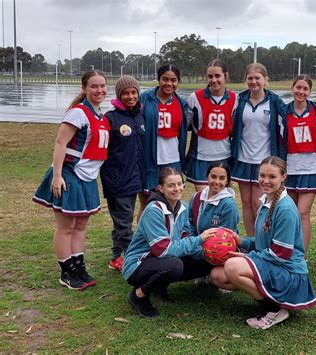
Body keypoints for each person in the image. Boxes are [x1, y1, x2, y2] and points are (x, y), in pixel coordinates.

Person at [211, 156, 316, 330]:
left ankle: (274, 309)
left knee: (232, 266)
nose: (265, 181)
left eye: (272, 177)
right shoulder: (267, 200)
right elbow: (264, 242)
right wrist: (242, 241)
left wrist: (247, 256)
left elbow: (281, 254)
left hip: (289, 272)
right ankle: (271, 299)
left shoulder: (285, 209)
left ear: (283, 177)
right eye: (262, 175)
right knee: (218, 276)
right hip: (273, 263)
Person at [32, 70, 109, 290]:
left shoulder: (100, 115)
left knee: (81, 224)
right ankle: (66, 271)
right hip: (69, 174)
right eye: (94, 86)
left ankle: (78, 265)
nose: (99, 90)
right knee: (66, 226)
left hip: (87, 178)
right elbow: (60, 144)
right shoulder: (78, 113)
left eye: (102, 86)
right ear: (84, 88)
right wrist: (57, 176)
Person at [122, 167, 214, 317]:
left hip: (163, 259)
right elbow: (163, 250)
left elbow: (185, 239)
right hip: (138, 265)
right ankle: (138, 296)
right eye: (171, 185)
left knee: (206, 261)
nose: (177, 189)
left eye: (179, 184)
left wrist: (207, 252)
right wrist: (199, 239)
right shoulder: (153, 210)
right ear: (161, 188)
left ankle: (159, 286)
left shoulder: (183, 207)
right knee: (174, 265)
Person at [231, 63, 285, 236]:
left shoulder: (274, 101)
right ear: (245, 79)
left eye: (257, 78)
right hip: (243, 159)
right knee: (246, 203)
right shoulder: (240, 100)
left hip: (264, 161)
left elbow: (288, 119)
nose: (254, 82)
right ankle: (251, 242)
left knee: (259, 203)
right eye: (250, 78)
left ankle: (262, 241)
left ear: (265, 79)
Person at [100, 75, 146, 272]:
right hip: (117, 180)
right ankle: (131, 260)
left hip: (136, 178)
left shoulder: (140, 116)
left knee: (122, 221)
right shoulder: (111, 118)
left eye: (133, 92)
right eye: (125, 93)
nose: (130, 96)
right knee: (124, 223)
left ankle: (115, 257)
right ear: (119, 95)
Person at [279, 75, 316, 254]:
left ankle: (302, 254)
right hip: (291, 166)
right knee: (290, 213)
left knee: (302, 212)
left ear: (310, 91)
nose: (301, 92)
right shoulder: (284, 111)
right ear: (293, 88)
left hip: (311, 167)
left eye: (305, 89)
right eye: (298, 87)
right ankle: (288, 251)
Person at [138, 64, 188, 217]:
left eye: (173, 80)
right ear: (159, 79)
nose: (169, 83)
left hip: (172, 159)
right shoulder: (145, 98)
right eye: (165, 79)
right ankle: (144, 238)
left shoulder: (181, 103)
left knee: (171, 202)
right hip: (149, 158)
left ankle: (169, 237)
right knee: (147, 204)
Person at [186, 59, 236, 191]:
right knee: (204, 200)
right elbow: (184, 125)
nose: (214, 80)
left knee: (223, 199)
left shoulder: (235, 99)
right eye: (210, 76)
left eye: (217, 76)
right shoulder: (195, 97)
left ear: (226, 76)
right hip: (201, 156)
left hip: (224, 156)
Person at [188, 161, 240, 236]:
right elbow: (189, 224)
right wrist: (192, 242)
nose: (216, 182)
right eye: (213, 177)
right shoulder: (197, 197)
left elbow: (226, 237)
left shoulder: (229, 206)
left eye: (222, 178)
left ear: (227, 181)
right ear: (207, 177)